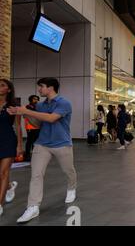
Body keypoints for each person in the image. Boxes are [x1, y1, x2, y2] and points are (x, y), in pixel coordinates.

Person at [7, 78, 77, 223]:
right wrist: (23, 114)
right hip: (42, 144)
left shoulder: (64, 103)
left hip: (62, 143)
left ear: (51, 88)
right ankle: (33, 207)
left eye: (41, 87)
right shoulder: (40, 105)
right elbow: (37, 123)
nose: (39, 90)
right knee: (36, 175)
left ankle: (71, 188)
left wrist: (26, 110)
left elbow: (52, 118)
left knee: (68, 170)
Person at [0, 79, 23, 217]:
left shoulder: (14, 106)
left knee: (3, 173)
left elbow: (17, 126)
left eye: (2, 85)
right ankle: (9, 186)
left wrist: (20, 145)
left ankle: (0, 204)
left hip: (8, 140)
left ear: (8, 90)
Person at [24, 95, 40, 162]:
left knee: (36, 142)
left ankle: (34, 155)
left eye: (37, 99)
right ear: (30, 100)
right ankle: (27, 156)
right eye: (34, 99)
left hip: (38, 127)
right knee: (29, 141)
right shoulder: (28, 107)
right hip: (30, 127)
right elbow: (32, 113)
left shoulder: (37, 107)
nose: (36, 100)